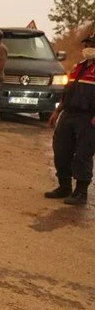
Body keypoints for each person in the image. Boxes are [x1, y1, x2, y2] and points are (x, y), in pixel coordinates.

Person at [44, 32, 95, 205]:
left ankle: (81, 192)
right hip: (68, 114)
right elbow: (67, 92)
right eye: (87, 44)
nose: (89, 47)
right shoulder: (78, 67)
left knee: (82, 155)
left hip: (88, 118)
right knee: (61, 151)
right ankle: (64, 187)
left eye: (93, 44)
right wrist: (57, 112)